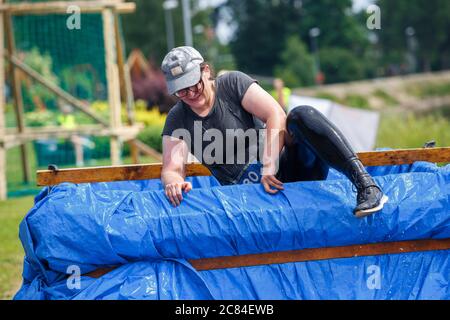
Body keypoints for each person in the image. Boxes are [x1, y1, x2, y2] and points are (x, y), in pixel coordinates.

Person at [160, 46, 388, 218]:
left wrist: (269, 166)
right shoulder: (177, 119)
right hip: (252, 197)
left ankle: (366, 185)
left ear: (206, 71)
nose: (191, 94)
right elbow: (172, 167)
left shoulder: (232, 84)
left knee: (301, 115)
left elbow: (275, 114)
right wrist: (173, 182)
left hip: (288, 169)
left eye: (194, 84)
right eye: (182, 91)